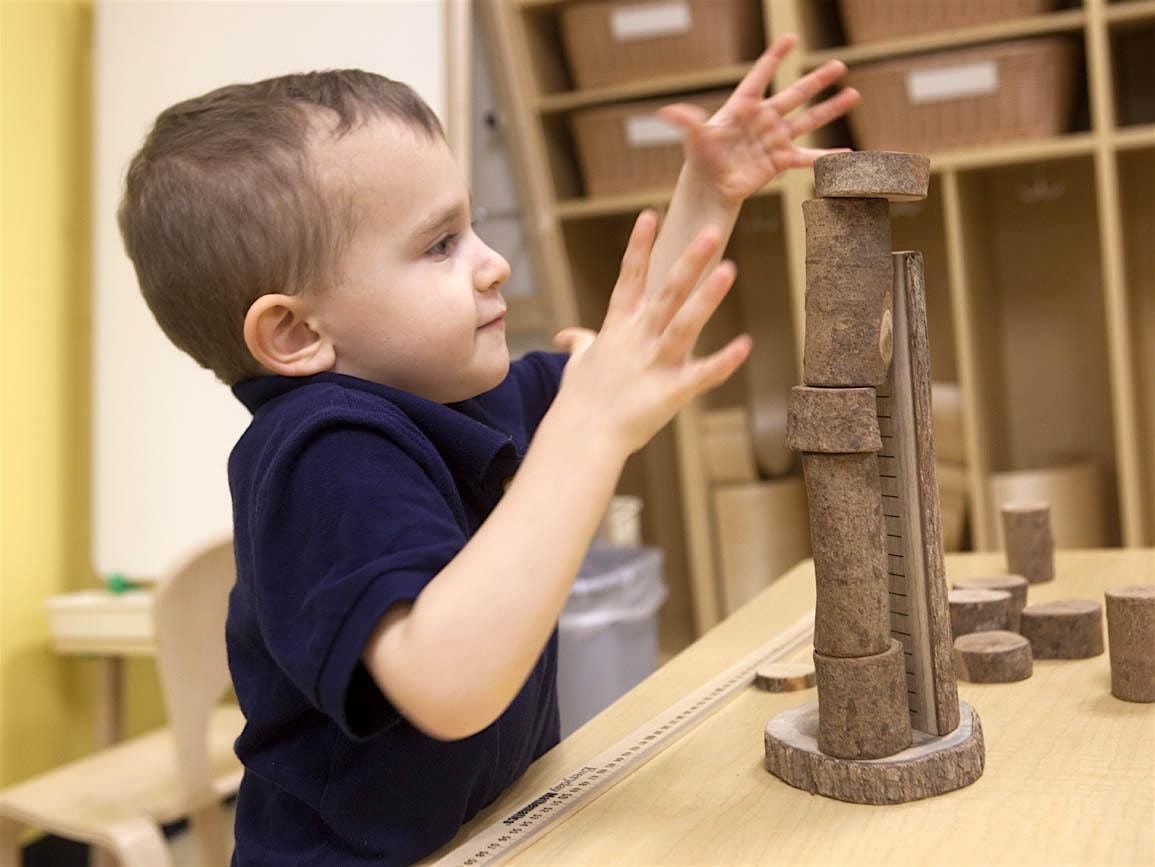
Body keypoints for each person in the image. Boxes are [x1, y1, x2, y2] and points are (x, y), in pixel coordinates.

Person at [118, 34, 858, 866]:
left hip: (492, 831)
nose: (493, 263)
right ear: (294, 332)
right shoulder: (318, 452)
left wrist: (708, 195)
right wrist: (591, 427)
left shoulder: (455, 397)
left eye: (470, 229)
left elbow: (630, 347)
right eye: (440, 245)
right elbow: (445, 680)